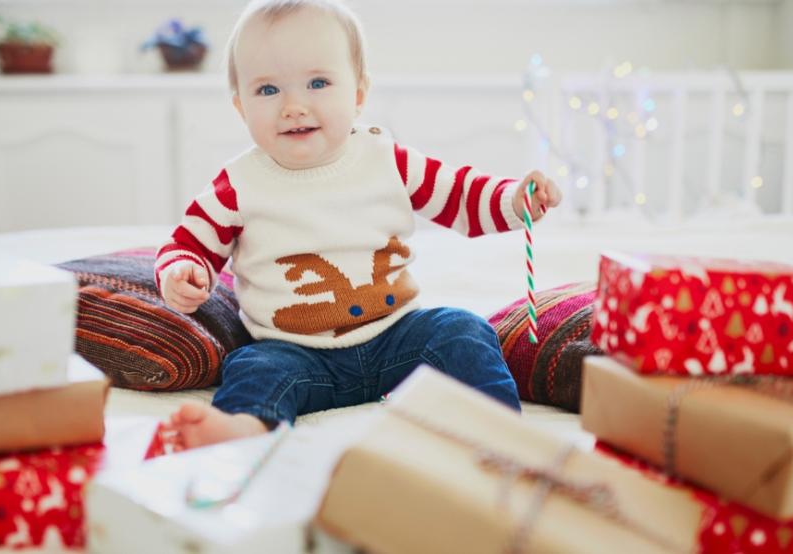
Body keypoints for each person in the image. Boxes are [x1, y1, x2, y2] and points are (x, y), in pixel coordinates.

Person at [156, 0, 561, 450]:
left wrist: (514, 199)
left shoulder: (385, 159)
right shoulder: (238, 184)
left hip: (397, 338)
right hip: (294, 353)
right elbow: (187, 243)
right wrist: (181, 272)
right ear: (240, 107)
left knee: (461, 330)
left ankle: (501, 433)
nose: (293, 106)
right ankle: (245, 429)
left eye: (318, 83)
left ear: (358, 94)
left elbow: (461, 196)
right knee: (252, 368)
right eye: (268, 90)